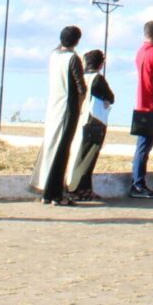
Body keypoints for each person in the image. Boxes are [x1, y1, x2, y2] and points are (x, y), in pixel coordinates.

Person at [31, 26, 87, 206]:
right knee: (62, 151)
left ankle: (45, 191)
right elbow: (81, 88)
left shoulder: (54, 56)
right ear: (77, 41)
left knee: (51, 148)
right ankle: (55, 195)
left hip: (53, 108)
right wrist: (80, 106)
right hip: (67, 109)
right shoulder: (73, 58)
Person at [66, 49, 115, 201]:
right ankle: (82, 189)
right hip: (95, 121)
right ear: (100, 64)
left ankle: (77, 187)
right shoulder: (97, 79)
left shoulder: (82, 77)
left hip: (81, 119)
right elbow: (110, 97)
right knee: (88, 158)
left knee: (79, 155)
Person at [128, 20, 153, 199]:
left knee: (142, 146)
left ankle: (138, 182)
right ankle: (138, 184)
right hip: (151, 103)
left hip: (141, 102)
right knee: (144, 147)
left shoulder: (140, 52)